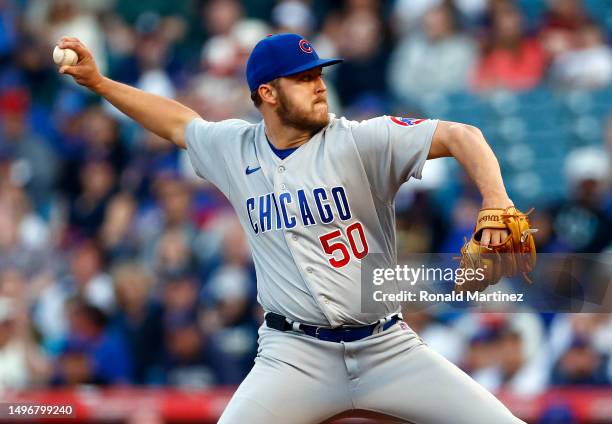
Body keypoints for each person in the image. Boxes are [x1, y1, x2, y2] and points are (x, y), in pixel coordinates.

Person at [57, 33, 523, 423]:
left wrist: (497, 200)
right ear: (267, 93)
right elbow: (179, 123)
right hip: (295, 355)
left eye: (319, 74)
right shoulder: (234, 149)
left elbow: (465, 136)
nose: (319, 86)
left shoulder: (360, 140)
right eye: (304, 78)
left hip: (387, 347)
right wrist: (98, 82)